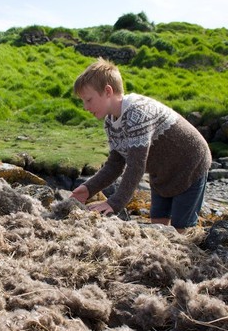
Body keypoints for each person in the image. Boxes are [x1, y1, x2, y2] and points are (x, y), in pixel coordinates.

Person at [70, 58, 212, 233]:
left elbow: (136, 165)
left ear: (108, 91)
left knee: (181, 230)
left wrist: (115, 203)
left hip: (190, 163)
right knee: (158, 224)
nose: (85, 107)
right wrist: (88, 188)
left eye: (88, 100)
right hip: (162, 171)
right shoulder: (110, 122)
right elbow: (115, 164)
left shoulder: (138, 112)